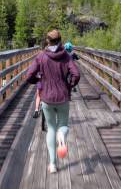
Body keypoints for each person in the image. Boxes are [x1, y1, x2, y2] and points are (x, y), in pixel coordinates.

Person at [26, 29, 80, 173]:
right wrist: (70, 85)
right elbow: (76, 74)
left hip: (47, 98)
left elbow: (29, 75)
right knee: (63, 125)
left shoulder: (41, 56)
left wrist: (38, 80)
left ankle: (53, 164)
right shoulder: (66, 57)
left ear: (47, 41)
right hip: (62, 97)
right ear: (60, 41)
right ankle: (61, 136)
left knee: (51, 128)